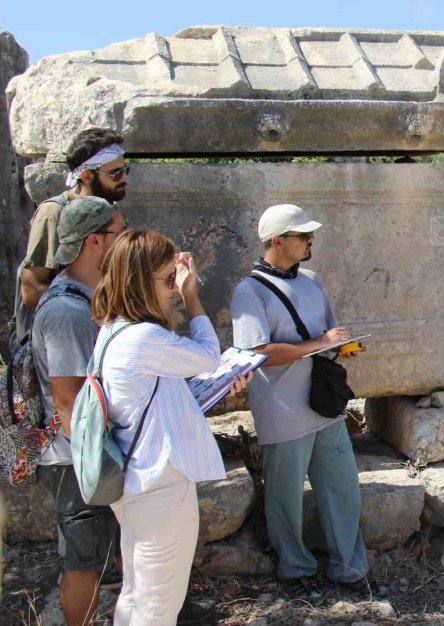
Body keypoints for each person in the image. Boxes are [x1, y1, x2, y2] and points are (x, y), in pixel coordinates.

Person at [91, 230, 247, 625]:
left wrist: (219, 387)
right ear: (141, 282)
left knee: (137, 597)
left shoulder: (113, 330)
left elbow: (161, 395)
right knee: (158, 606)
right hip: (160, 486)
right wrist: (193, 295)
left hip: (137, 480)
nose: (173, 290)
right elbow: (210, 356)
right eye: (166, 281)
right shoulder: (145, 337)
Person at [230, 204, 368, 605]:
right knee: (285, 495)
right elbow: (255, 352)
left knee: (342, 487)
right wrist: (320, 344)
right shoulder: (249, 291)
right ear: (277, 240)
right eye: (303, 235)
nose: (311, 240)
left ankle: (349, 568)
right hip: (282, 408)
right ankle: (295, 569)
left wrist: (341, 345)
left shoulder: (311, 280)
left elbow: (326, 333)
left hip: (323, 403)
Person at [31, 197, 125, 626]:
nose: (124, 241)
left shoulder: (89, 298)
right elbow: (68, 401)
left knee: (109, 553)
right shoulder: (68, 312)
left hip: (90, 452)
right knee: (84, 561)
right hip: (76, 459)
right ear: (94, 242)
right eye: (118, 233)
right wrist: (102, 466)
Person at [13, 128, 129, 349]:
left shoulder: (110, 212)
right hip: (59, 342)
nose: (124, 178)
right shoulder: (54, 212)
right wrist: (90, 316)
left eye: (125, 171)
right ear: (86, 175)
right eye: (115, 173)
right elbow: (32, 288)